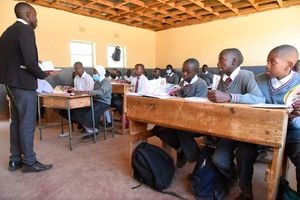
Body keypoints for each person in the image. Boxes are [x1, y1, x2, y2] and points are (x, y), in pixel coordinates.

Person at [235, 45, 300, 200]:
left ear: (288, 65)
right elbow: (248, 104)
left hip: (292, 130)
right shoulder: (258, 80)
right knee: (243, 152)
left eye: (272, 62)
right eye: (267, 61)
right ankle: (245, 193)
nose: (267, 65)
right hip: (261, 128)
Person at [0, 2, 54, 173]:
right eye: (35, 15)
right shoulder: (25, 30)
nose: (36, 19)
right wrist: (43, 73)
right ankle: (30, 162)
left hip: (10, 83)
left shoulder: (7, 32)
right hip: (24, 84)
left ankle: (15, 160)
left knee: (16, 122)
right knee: (27, 123)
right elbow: (29, 61)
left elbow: (16, 60)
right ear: (29, 14)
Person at [207, 48, 265, 198]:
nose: (218, 63)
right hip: (228, 129)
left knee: (244, 157)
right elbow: (221, 101)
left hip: (246, 131)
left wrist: (229, 97)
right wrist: (213, 97)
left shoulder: (246, 75)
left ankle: (246, 192)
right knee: (218, 159)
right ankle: (232, 175)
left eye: (221, 59)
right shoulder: (221, 78)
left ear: (234, 61)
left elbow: (259, 99)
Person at [152, 58, 208, 168]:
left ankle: (194, 156)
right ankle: (181, 149)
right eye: (183, 71)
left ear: (196, 71)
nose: (184, 74)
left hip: (195, 120)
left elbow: (196, 107)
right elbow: (178, 99)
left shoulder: (201, 84)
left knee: (181, 131)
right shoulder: (182, 82)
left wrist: (179, 98)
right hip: (180, 117)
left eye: (188, 71)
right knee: (158, 128)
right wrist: (172, 94)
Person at [61, 65, 112, 134]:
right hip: (95, 100)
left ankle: (94, 129)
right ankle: (88, 128)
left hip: (103, 102)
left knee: (90, 112)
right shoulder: (97, 82)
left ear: (101, 72)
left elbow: (101, 92)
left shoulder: (106, 82)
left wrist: (86, 92)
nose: (94, 74)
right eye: (93, 72)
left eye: (95, 72)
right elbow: (93, 91)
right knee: (80, 109)